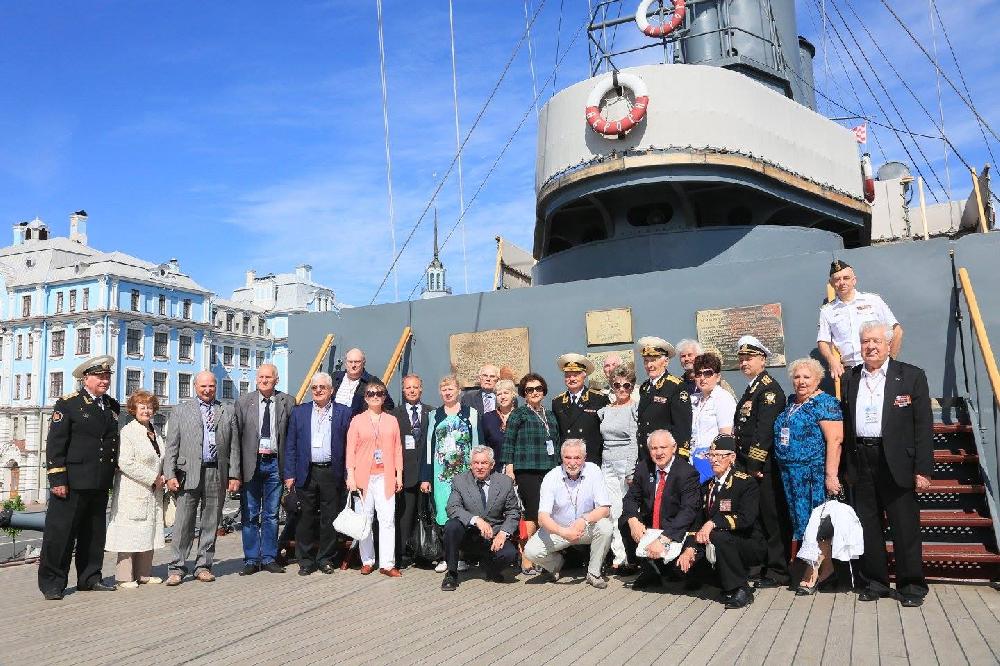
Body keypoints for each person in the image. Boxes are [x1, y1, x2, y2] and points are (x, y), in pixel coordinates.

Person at [841, 321, 932, 607]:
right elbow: (846, 424)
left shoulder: (911, 376)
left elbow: (923, 426)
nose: (870, 346)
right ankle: (876, 582)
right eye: (865, 341)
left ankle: (911, 586)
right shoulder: (850, 378)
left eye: (876, 341)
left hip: (896, 460)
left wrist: (923, 469)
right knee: (868, 525)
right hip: (861, 458)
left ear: (888, 344)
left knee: (904, 526)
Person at [38, 355, 121, 599]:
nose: (104, 381)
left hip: (99, 480)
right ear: (86, 379)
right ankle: (52, 583)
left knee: (94, 535)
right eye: (100, 377)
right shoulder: (68, 404)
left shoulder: (112, 406)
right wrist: (57, 480)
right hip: (72, 481)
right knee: (61, 535)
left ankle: (90, 577)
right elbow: (55, 445)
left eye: (107, 377)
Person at [164, 371, 240, 586]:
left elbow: (234, 446)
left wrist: (234, 474)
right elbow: (172, 446)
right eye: (203, 386)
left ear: (216, 386)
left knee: (211, 522)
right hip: (188, 473)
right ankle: (177, 567)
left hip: (216, 471)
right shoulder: (180, 410)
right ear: (195, 386)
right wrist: (169, 474)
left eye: (211, 386)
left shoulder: (227, 410)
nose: (207, 390)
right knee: (183, 523)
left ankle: (203, 566)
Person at [676, 435, 766, 609]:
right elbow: (697, 523)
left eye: (719, 455)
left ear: (732, 457)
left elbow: (746, 519)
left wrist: (713, 523)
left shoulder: (745, 483)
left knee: (718, 536)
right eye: (711, 455)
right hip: (718, 542)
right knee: (682, 563)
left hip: (747, 542)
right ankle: (723, 583)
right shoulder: (707, 486)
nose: (714, 460)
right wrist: (690, 548)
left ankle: (741, 588)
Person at [772, 359, 844, 564]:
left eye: (806, 377)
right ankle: (808, 564)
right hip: (790, 475)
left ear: (818, 379)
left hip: (812, 475)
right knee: (799, 521)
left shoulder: (825, 403)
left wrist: (831, 476)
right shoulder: (792, 402)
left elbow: (835, 440)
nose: (801, 381)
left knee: (815, 521)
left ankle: (819, 568)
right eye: (797, 377)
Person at [732, 335, 790, 589]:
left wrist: (753, 466)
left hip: (762, 467)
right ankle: (761, 565)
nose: (744, 363)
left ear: (763, 360)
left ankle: (778, 570)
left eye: (750, 358)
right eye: (742, 359)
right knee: (755, 518)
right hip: (747, 464)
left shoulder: (768, 390)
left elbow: (764, 432)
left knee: (771, 518)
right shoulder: (752, 388)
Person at [284, 372, 352, 575]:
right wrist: (289, 474)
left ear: (331, 390)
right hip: (306, 471)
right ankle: (305, 560)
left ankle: (325, 559)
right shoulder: (299, 412)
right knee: (305, 517)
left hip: (332, 471)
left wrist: (349, 474)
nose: (318, 390)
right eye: (314, 387)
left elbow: (350, 446)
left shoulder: (344, 412)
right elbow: (291, 445)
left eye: (323, 387)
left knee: (329, 518)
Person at [523, 440, 613, 588]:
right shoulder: (551, 477)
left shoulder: (594, 470)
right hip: (559, 529)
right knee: (531, 551)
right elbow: (542, 518)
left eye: (577, 458)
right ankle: (556, 564)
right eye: (567, 457)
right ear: (561, 458)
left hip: (585, 527)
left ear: (584, 458)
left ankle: (593, 573)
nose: (572, 463)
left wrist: (584, 520)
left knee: (606, 527)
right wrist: (563, 532)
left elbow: (605, 508)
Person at [620, 429, 701, 590]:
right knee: (624, 520)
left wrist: (664, 539)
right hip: (652, 525)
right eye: (654, 448)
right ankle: (649, 570)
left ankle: (676, 570)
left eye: (663, 447)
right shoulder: (643, 467)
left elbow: (688, 511)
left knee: (678, 575)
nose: (658, 453)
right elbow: (630, 498)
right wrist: (633, 520)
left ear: (674, 447)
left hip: (676, 528)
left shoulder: (687, 473)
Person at [234, 363, 295, 575]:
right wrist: (235, 472)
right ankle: (251, 559)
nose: (264, 380)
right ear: (256, 379)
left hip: (275, 464)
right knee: (250, 514)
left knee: (271, 514)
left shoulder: (288, 401)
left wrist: (290, 471)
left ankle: (269, 557)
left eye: (268, 377)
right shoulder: (243, 402)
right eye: (261, 377)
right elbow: (236, 439)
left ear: (276, 379)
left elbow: (292, 438)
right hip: (252, 463)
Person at [421, 374, 482, 572]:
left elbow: (478, 444)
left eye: (451, 389)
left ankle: (462, 557)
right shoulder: (434, 415)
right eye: (444, 389)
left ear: (459, 391)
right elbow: (428, 448)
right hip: (441, 477)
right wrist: (425, 477)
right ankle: (446, 557)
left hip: (465, 475)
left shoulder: (471, 414)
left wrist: (479, 471)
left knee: (464, 512)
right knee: (443, 513)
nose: (447, 392)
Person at [499, 372, 560, 573]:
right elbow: (509, 442)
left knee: (547, 512)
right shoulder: (519, 414)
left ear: (544, 391)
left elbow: (556, 443)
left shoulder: (550, 415)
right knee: (533, 512)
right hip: (527, 470)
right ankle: (526, 555)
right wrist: (509, 467)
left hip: (549, 469)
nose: (534, 392)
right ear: (524, 393)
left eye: (538, 388)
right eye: (529, 389)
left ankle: (540, 554)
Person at [105, 390, 166, 589]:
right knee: (129, 533)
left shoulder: (155, 431)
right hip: (132, 490)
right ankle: (124, 577)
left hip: (152, 491)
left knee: (148, 531)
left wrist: (163, 476)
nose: (146, 411)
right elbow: (125, 462)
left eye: (149, 407)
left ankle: (144, 574)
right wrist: (152, 478)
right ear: (133, 409)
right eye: (142, 407)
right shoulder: (128, 432)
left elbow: (160, 459)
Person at [440, 446, 520, 591]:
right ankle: (451, 573)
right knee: (451, 526)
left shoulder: (505, 482)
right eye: (476, 463)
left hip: (493, 535)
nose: (479, 467)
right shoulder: (460, 481)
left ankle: (490, 568)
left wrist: (503, 533)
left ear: (492, 465)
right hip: (468, 534)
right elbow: (453, 508)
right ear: (471, 464)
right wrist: (476, 520)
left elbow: (513, 512)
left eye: (484, 463)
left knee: (509, 554)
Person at [346, 379, 404, 577]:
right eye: (371, 393)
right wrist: (350, 476)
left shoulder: (391, 420)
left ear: (384, 397)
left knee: (387, 519)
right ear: (365, 397)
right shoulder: (357, 420)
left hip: (385, 477)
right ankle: (367, 560)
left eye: (379, 393)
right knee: (365, 520)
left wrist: (398, 475)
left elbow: (397, 449)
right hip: (364, 478)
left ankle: (387, 563)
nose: (375, 396)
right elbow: (350, 450)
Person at [818, 259, 903, 381]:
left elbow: (897, 331)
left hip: (878, 367)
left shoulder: (873, 301)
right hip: (850, 371)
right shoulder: (827, 311)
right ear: (831, 283)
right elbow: (823, 341)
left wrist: (890, 362)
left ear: (854, 280)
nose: (842, 282)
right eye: (837, 279)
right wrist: (832, 360)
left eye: (846, 278)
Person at [597, 363, 640, 573]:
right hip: (607, 464)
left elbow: (634, 441)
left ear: (632, 386)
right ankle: (619, 554)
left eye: (626, 385)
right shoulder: (604, 411)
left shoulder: (634, 409)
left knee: (625, 509)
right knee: (612, 510)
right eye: (617, 385)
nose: (621, 389)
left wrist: (631, 470)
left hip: (625, 463)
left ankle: (631, 555)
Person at [391, 374, 431, 567]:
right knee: (404, 517)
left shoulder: (431, 412)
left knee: (425, 515)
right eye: (408, 388)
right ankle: (401, 555)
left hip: (426, 473)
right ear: (403, 390)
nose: (412, 390)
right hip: (405, 473)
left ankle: (425, 554)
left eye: (415, 387)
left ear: (421, 389)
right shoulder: (394, 415)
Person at [635, 336, 692, 460]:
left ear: (665, 362)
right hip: (646, 455)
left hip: (666, 456)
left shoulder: (676, 387)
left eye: (653, 360)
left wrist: (681, 458)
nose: (649, 365)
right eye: (646, 361)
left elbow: (682, 426)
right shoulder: (644, 387)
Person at [552, 353, 609, 466]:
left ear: (584, 375)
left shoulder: (598, 399)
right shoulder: (557, 402)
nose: (572, 379)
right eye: (568, 375)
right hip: (568, 461)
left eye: (576, 375)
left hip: (590, 459)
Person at [690, 353, 737, 482]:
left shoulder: (723, 398)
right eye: (698, 374)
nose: (702, 378)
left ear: (717, 377)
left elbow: (725, 435)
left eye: (708, 373)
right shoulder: (694, 399)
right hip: (693, 458)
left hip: (712, 459)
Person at [333, 348, 395, 415]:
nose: (353, 365)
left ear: (363, 363)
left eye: (357, 362)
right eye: (350, 362)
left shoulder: (373, 382)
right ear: (345, 363)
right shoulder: (335, 378)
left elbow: (388, 406)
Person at [481, 378, 517, 463]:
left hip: (519, 467)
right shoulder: (488, 418)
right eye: (499, 394)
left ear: (513, 395)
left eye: (506, 393)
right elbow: (484, 446)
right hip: (496, 467)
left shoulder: (521, 415)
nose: (502, 397)